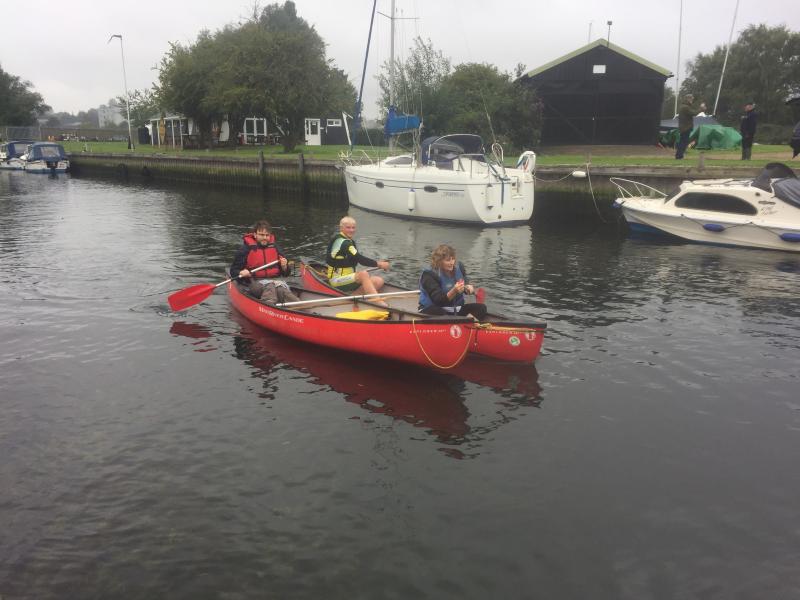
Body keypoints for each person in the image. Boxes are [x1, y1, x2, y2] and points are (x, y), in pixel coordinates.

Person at [230, 219, 299, 303]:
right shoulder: (245, 249)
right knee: (270, 286)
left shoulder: (276, 248)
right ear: (255, 235)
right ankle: (269, 306)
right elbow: (233, 271)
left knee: (281, 289)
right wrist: (241, 273)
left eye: (267, 235)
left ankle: (300, 307)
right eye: (261, 235)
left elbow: (286, 273)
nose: (264, 238)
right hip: (255, 283)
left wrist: (284, 267)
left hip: (275, 281)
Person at [326, 216, 390, 299]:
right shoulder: (344, 243)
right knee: (363, 274)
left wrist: (378, 263)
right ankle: (378, 302)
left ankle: (353, 297)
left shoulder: (348, 240)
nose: (351, 230)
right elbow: (360, 259)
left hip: (348, 278)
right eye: (348, 227)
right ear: (341, 228)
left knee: (378, 281)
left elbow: (356, 258)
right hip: (336, 281)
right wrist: (379, 264)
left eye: (353, 228)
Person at [418, 244, 487, 321]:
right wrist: (454, 291)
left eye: (453, 259)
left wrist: (468, 288)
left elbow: (465, 281)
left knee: (481, 308)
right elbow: (439, 301)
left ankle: (466, 326)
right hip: (432, 308)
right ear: (439, 261)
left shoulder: (459, 267)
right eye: (448, 260)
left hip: (453, 309)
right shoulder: (429, 275)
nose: (452, 263)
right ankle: (458, 325)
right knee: (442, 314)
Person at [675, 94, 696, 160]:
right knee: (683, 142)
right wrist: (701, 109)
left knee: (683, 141)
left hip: (683, 127)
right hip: (685, 127)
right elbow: (694, 113)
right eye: (691, 99)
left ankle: (679, 155)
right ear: (688, 99)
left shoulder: (683, 106)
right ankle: (679, 156)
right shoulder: (686, 107)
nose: (692, 100)